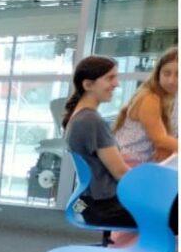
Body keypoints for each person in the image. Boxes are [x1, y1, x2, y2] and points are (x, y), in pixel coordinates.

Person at [61, 55, 136, 229]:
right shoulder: (91, 120)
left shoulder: (79, 117)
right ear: (88, 85)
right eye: (110, 78)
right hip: (105, 207)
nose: (116, 84)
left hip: (92, 203)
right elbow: (120, 173)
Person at [113, 47, 178, 165]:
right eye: (166, 73)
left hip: (147, 163)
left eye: (178, 74)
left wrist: (168, 146)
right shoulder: (149, 97)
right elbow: (160, 139)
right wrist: (166, 145)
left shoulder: (172, 96)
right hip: (129, 164)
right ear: (158, 74)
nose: (171, 80)